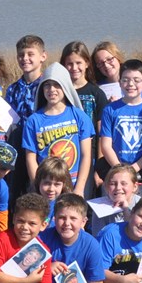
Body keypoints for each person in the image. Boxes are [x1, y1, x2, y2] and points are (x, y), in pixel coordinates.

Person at [33, 193, 114, 283]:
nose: (66, 223)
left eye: (73, 219)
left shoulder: (91, 245)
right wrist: (47, 267)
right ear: (54, 219)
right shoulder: (42, 238)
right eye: (62, 218)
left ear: (84, 222)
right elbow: (26, 270)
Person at [21, 62, 95, 196]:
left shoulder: (79, 116)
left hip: (72, 185)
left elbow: (86, 155)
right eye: (47, 85)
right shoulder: (34, 121)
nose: (52, 90)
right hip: (47, 188)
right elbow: (30, 158)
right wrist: (38, 187)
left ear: (66, 86)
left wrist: (79, 188)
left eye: (57, 85)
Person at [97, 58, 142, 185]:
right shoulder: (110, 110)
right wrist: (120, 171)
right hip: (115, 171)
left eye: (136, 80)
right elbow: (105, 145)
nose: (130, 84)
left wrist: (133, 170)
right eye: (125, 80)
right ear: (119, 82)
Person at [5, 34, 47, 197]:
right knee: (15, 191)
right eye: (21, 55)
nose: (25, 58)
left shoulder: (47, 86)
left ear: (43, 56)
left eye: (30, 54)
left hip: (39, 147)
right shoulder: (13, 88)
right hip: (16, 146)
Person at [86, 163, 141, 236]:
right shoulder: (99, 208)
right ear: (106, 187)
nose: (118, 188)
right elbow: (99, 238)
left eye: (124, 183)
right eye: (113, 184)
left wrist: (126, 210)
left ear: (135, 187)